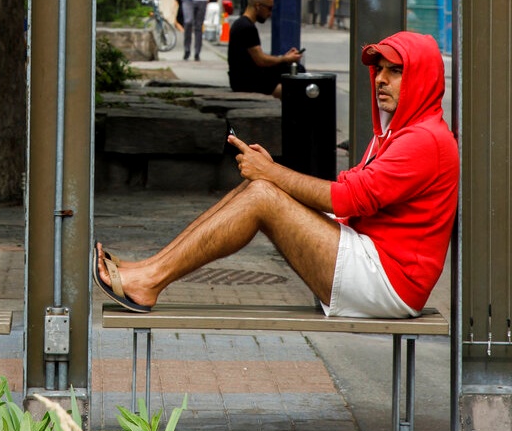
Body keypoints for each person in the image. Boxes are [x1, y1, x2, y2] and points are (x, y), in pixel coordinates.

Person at [95, 31, 458, 319]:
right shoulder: (401, 133)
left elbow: (350, 198)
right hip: (372, 261)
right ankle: (148, 269)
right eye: (378, 69)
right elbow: (352, 196)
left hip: (389, 283)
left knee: (263, 193)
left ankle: (150, 279)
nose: (381, 79)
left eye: (395, 71)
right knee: (260, 186)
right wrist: (271, 175)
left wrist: (275, 174)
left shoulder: (424, 140)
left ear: (422, 78)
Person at [227, 0, 304, 98]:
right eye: (269, 8)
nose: (270, 14)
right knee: (296, 76)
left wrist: (284, 58)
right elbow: (261, 60)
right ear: (258, 6)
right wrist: (285, 59)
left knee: (291, 69)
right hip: (247, 81)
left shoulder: (242, 24)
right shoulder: (246, 27)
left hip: (244, 77)